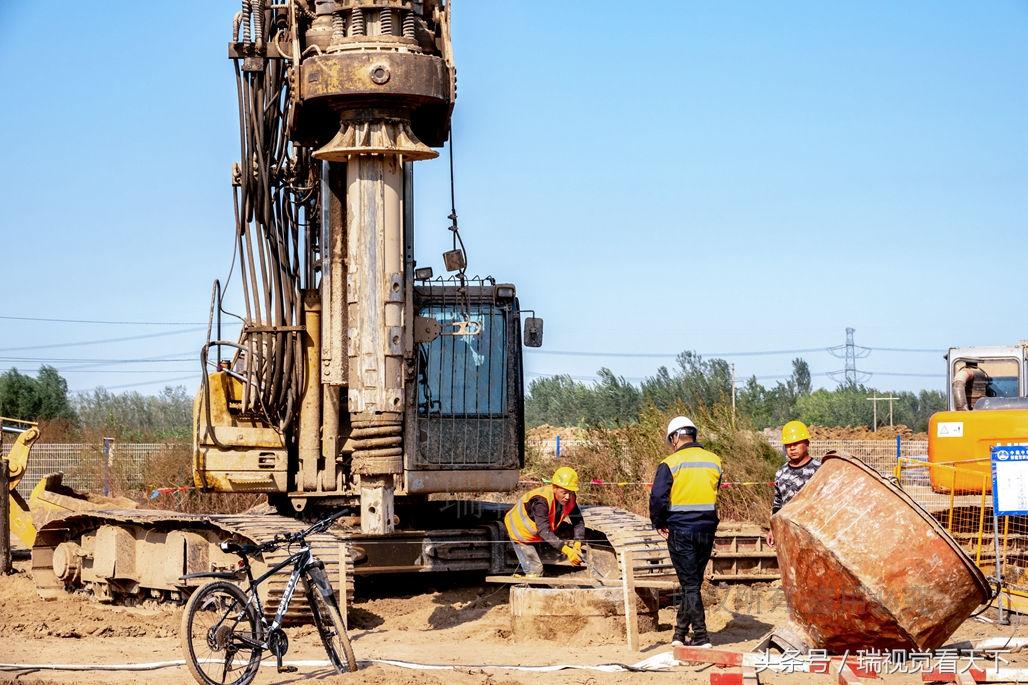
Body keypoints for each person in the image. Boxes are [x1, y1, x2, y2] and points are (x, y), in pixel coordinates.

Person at [649, 416, 722, 649]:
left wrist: (658, 522)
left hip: (680, 529)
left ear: (675, 437)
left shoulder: (670, 463)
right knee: (692, 582)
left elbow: (658, 498)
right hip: (707, 529)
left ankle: (700, 636)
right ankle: (679, 633)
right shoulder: (714, 461)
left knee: (690, 584)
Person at [504, 466, 586, 577]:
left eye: (571, 493)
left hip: (538, 533)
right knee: (535, 571)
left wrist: (578, 542)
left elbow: (578, 521)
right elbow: (544, 530)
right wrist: (567, 550)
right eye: (564, 492)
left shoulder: (569, 498)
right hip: (520, 533)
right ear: (554, 488)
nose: (568, 497)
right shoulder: (540, 501)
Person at [766, 420, 821, 547]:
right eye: (788, 444)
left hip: (814, 532)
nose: (792, 448)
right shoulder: (781, 473)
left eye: (796, 443)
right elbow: (777, 503)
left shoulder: (819, 470)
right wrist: (773, 529)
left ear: (807, 443)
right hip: (788, 532)